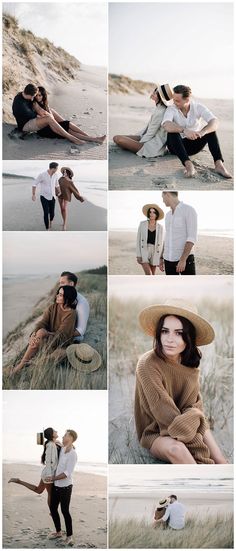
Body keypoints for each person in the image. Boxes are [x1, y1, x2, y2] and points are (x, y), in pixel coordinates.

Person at [135, 298, 228, 464]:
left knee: (220, 460)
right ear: (158, 333)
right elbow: (165, 413)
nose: (170, 339)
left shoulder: (189, 365)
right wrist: (199, 450)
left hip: (186, 423)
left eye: (178, 333)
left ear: (189, 337)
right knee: (177, 449)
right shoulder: (147, 363)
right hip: (156, 432)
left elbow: (195, 410)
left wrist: (218, 458)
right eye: (165, 331)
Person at [162, 85, 232, 179]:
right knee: (172, 133)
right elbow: (166, 124)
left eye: (177, 101)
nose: (174, 102)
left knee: (211, 131)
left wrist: (202, 132)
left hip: (193, 146)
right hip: (176, 147)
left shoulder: (198, 107)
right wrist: (184, 130)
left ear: (187, 100)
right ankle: (188, 164)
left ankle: (219, 164)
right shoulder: (171, 108)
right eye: (174, 100)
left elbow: (215, 121)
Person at [10, 286, 77, 375]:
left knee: (55, 354)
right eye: (58, 293)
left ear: (67, 298)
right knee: (39, 333)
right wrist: (34, 334)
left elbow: (62, 335)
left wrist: (46, 333)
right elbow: (42, 323)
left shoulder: (71, 313)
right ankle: (23, 363)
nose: (57, 296)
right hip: (47, 340)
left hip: (61, 344)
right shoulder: (52, 307)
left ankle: (28, 364)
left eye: (60, 295)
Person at [12, 84, 86, 146]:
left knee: (51, 114)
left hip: (30, 119)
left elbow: (39, 111)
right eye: (34, 96)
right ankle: (72, 138)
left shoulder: (22, 94)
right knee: (48, 118)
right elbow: (35, 115)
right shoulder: (21, 105)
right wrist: (47, 116)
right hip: (25, 125)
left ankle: (65, 126)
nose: (34, 98)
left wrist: (46, 113)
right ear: (30, 95)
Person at [113, 84, 173, 157]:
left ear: (160, 97)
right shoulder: (159, 108)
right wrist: (136, 137)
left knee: (118, 139)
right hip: (146, 137)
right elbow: (147, 130)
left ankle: (136, 147)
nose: (153, 93)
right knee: (117, 138)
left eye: (156, 93)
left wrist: (138, 143)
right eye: (154, 91)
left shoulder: (161, 111)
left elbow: (151, 133)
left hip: (152, 146)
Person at [34, 86, 106, 145]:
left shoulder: (44, 104)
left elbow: (52, 116)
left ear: (43, 96)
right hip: (44, 130)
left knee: (67, 124)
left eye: (40, 95)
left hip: (52, 126)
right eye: (36, 95)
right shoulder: (35, 104)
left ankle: (89, 137)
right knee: (69, 130)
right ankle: (94, 139)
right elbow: (47, 117)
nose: (38, 97)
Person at [8, 428, 60, 507]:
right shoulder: (51, 445)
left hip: (46, 472)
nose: (56, 431)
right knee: (51, 494)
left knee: (39, 490)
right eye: (54, 431)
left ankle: (18, 481)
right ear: (52, 434)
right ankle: (52, 512)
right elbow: (49, 461)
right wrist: (50, 475)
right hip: (48, 473)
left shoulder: (51, 443)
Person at [46, 429, 78, 546]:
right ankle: (59, 532)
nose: (63, 437)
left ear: (70, 438)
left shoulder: (73, 454)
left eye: (65, 435)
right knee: (53, 509)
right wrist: (56, 441)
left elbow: (67, 473)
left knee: (65, 511)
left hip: (66, 487)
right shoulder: (63, 449)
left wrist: (53, 478)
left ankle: (69, 536)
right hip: (56, 486)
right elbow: (57, 442)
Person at [160, 192, 197, 275]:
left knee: (189, 287)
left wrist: (183, 260)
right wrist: (161, 257)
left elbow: (192, 237)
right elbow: (167, 237)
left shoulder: (188, 210)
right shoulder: (168, 215)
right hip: (168, 260)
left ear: (168, 194)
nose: (162, 200)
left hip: (185, 260)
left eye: (163, 197)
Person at [59, 271, 90, 342]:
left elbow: (81, 331)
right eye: (60, 283)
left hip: (72, 338)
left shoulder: (82, 302)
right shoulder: (62, 298)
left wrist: (56, 335)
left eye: (62, 283)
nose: (60, 286)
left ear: (71, 284)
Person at [136, 203, 164, 275]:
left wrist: (161, 257)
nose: (151, 214)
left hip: (155, 252)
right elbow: (138, 240)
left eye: (154, 212)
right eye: (150, 212)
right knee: (149, 274)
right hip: (144, 250)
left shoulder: (160, 227)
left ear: (156, 214)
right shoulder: (142, 224)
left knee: (153, 275)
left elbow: (162, 243)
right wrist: (138, 255)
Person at [32, 162, 61, 230]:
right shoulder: (42, 175)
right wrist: (33, 194)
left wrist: (59, 191)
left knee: (52, 213)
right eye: (56, 168)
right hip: (44, 197)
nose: (57, 169)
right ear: (53, 168)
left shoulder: (56, 175)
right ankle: (47, 228)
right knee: (45, 212)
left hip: (53, 197)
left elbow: (57, 185)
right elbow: (34, 184)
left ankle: (51, 222)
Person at [58, 167, 85, 231]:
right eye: (63, 172)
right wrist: (58, 192)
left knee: (64, 208)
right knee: (61, 209)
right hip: (60, 195)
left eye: (65, 172)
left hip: (67, 195)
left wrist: (80, 197)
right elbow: (57, 186)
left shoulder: (70, 181)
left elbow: (74, 190)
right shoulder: (60, 179)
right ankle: (63, 221)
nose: (64, 173)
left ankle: (65, 224)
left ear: (68, 173)